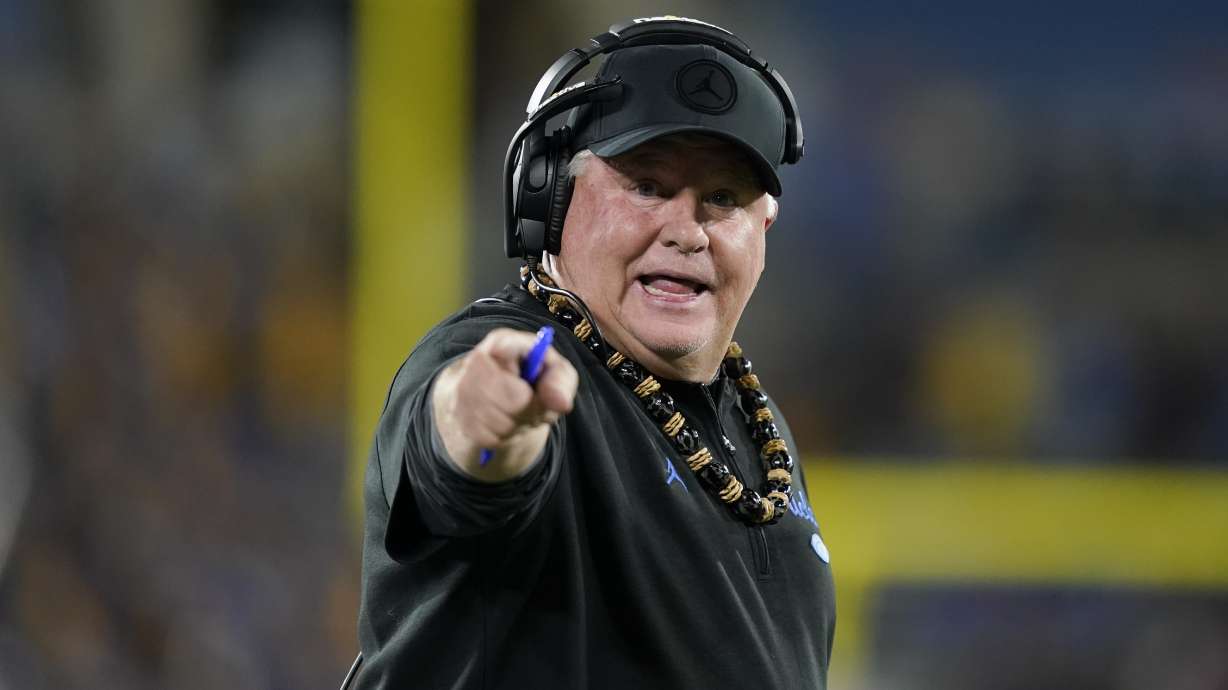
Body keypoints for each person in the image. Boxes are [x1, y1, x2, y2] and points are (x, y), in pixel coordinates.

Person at [351, 17, 835, 690]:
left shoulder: (757, 425)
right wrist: (490, 426)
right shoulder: (513, 358)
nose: (687, 231)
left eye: (722, 199)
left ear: (764, 230)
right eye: (648, 186)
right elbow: (464, 454)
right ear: (550, 196)